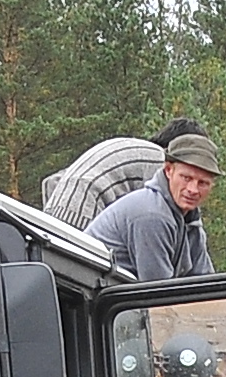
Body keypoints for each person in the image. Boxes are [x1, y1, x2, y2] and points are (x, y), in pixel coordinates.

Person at [91, 121, 218, 282]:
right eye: (186, 178)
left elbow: (206, 282)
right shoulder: (152, 215)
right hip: (90, 299)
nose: (193, 189)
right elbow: (158, 294)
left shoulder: (190, 222)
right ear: (169, 170)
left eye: (203, 183)